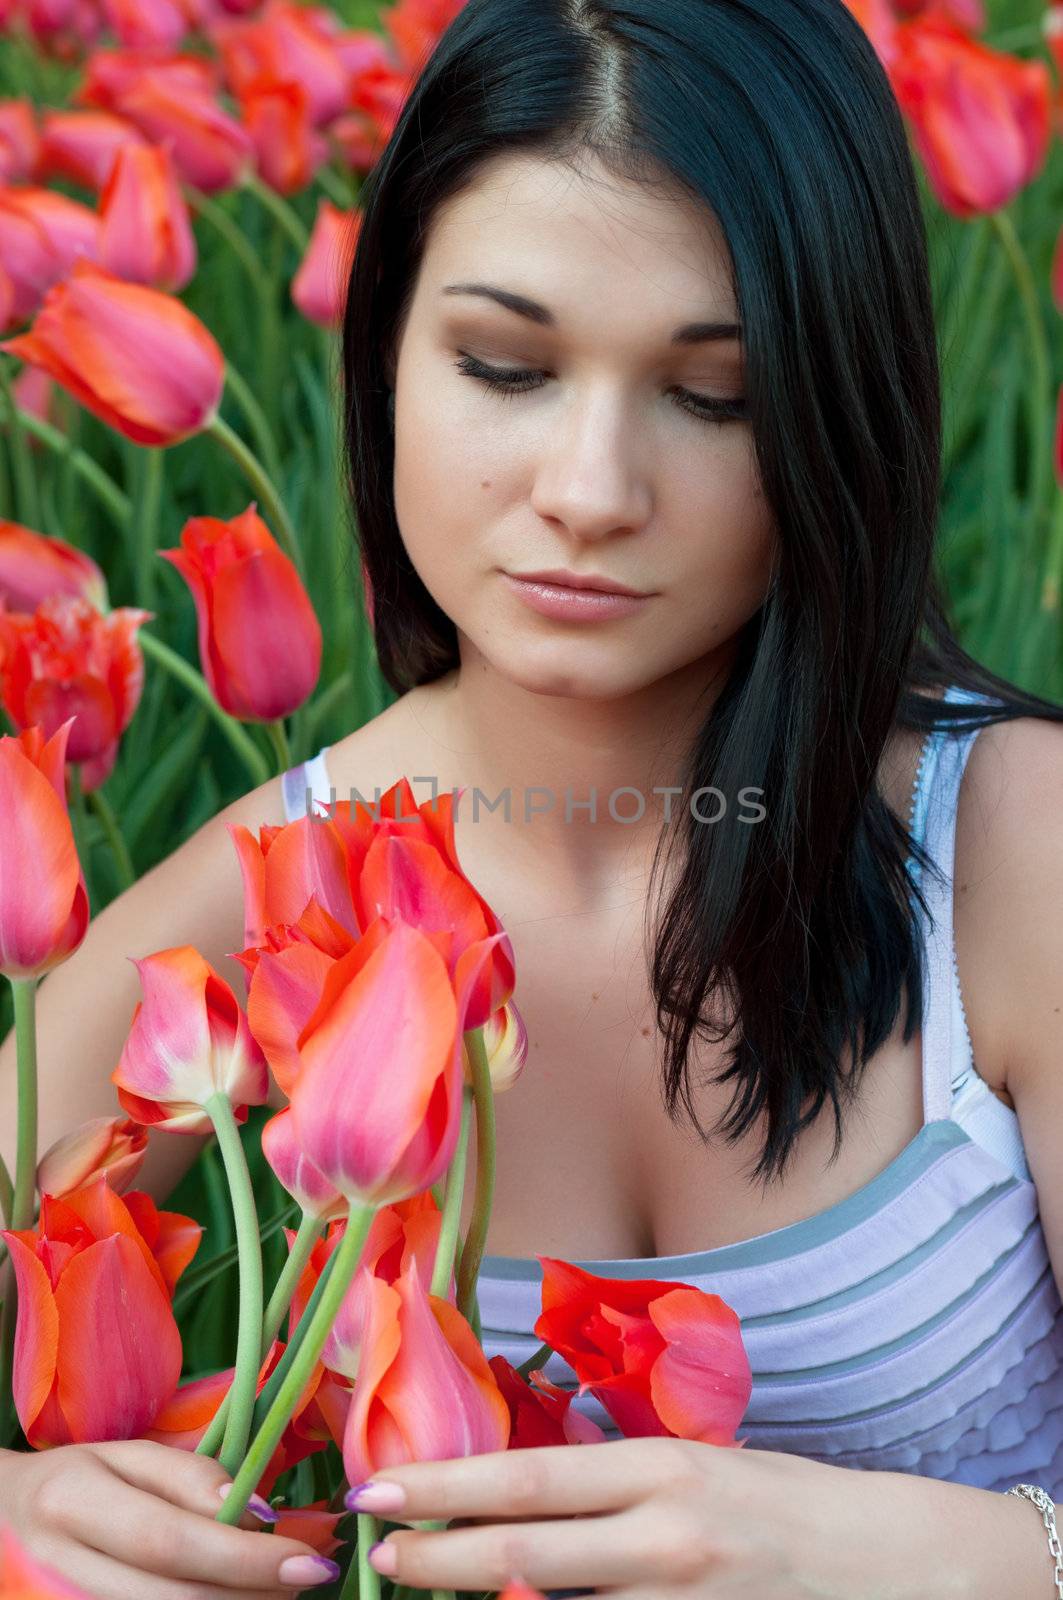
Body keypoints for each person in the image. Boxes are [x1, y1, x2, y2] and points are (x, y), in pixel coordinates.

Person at [3, 0, 1063, 1593]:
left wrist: (970, 1555)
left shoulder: (1008, 850)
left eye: (715, 397)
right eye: (504, 365)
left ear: (843, 410)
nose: (588, 489)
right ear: (383, 360)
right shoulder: (266, 905)